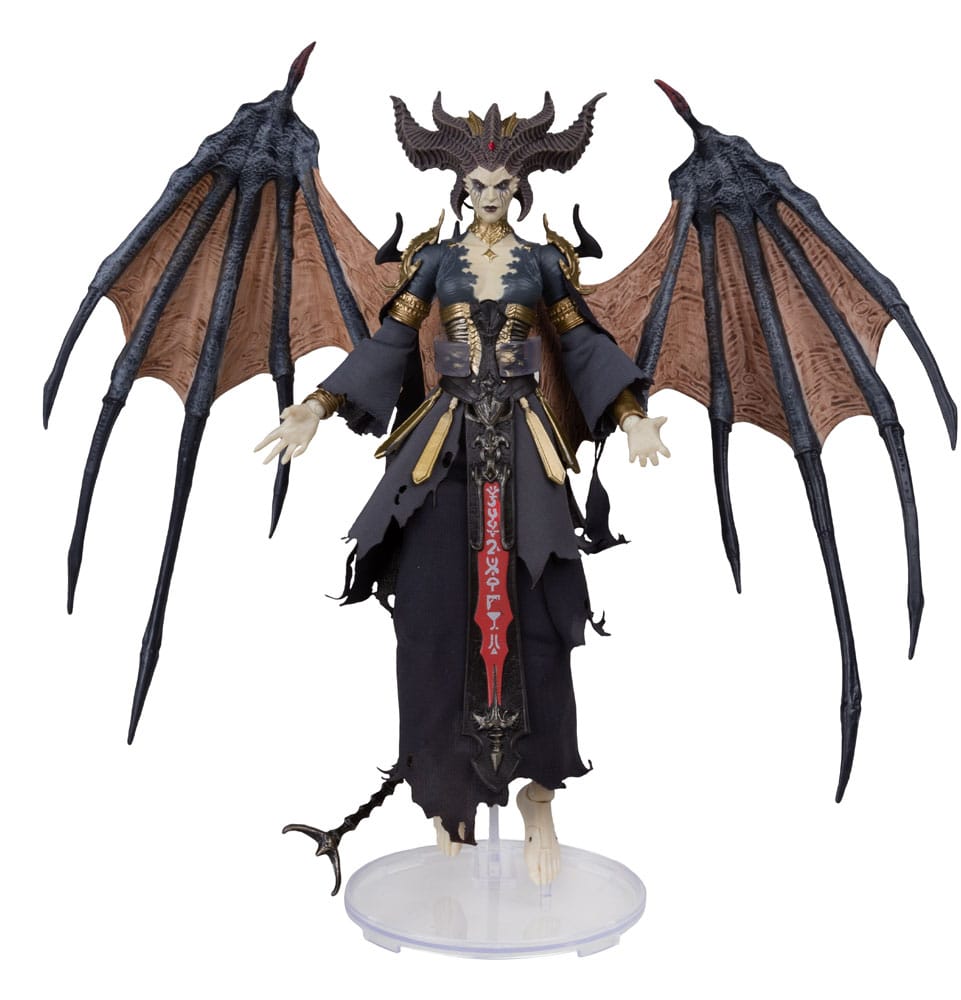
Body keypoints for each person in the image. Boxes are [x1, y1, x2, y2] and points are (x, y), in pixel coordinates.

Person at [256, 93, 669, 884]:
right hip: (442, 451)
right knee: (432, 619)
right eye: (478, 186)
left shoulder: (541, 265)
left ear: (520, 188)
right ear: (460, 186)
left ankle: (539, 794)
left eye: (502, 186)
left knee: (541, 618)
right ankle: (446, 796)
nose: (489, 197)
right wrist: (319, 404)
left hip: (526, 451)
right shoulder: (435, 264)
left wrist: (631, 414)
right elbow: (389, 342)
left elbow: (582, 345)